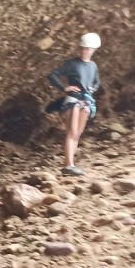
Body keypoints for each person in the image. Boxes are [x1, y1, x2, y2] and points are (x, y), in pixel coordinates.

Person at [46, 31, 101, 176]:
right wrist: (64, 88)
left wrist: (92, 89)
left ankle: (71, 164)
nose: (84, 51)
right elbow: (52, 75)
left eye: (88, 49)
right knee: (71, 132)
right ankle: (68, 165)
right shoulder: (72, 64)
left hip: (86, 101)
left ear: (93, 50)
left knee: (77, 134)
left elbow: (96, 81)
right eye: (83, 48)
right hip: (73, 99)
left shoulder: (93, 66)